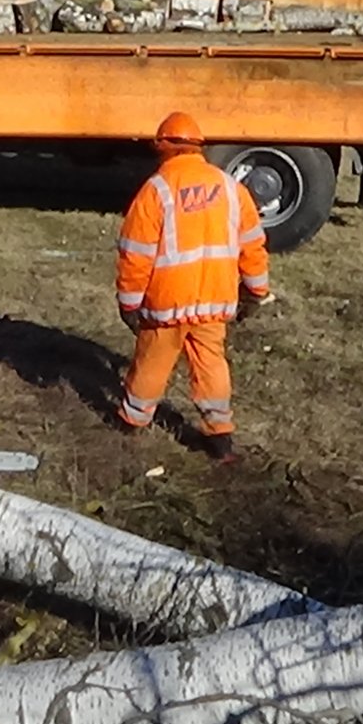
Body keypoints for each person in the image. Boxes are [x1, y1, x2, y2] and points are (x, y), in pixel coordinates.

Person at [115, 112, 272, 462]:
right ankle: (220, 437)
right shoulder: (231, 188)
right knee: (211, 365)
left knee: (152, 364)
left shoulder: (155, 191)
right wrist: (257, 291)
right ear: (199, 147)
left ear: (163, 148)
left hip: (166, 305)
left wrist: (129, 302)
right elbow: (252, 244)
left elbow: (135, 254)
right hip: (215, 301)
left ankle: (132, 422)